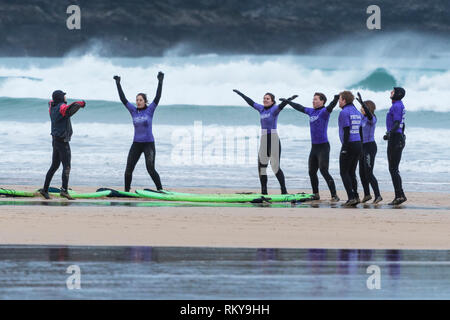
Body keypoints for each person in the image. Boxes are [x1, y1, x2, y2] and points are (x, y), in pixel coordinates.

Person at [233, 89, 297, 194]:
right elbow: (251, 102)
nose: (265, 100)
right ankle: (264, 192)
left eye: (267, 99)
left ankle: (284, 191)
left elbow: (282, 105)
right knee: (261, 167)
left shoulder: (275, 109)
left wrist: (289, 100)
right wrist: (241, 94)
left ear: (272, 101)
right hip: (264, 140)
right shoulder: (261, 109)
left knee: (275, 167)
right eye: (264, 98)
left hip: (273, 139)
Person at [280, 93, 340, 201]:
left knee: (323, 170)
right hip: (314, 147)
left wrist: (335, 99)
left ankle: (334, 195)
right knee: (312, 172)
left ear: (322, 101)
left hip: (323, 146)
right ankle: (316, 194)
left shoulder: (324, 112)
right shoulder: (311, 111)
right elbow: (300, 107)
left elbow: (331, 106)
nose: (313, 101)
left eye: (316, 99)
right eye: (313, 99)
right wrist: (288, 102)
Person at [114, 72, 164, 192]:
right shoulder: (133, 111)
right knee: (128, 169)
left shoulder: (150, 110)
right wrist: (118, 84)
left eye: (140, 100)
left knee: (150, 168)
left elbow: (158, 97)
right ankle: (126, 191)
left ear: (145, 101)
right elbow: (123, 99)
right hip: (136, 144)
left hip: (148, 144)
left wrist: (160, 82)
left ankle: (160, 189)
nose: (138, 101)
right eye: (137, 100)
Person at [38, 90, 86, 200]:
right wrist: (82, 103)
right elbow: (71, 107)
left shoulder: (52, 106)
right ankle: (64, 191)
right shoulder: (61, 107)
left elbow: (51, 101)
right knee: (67, 166)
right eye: (64, 95)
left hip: (55, 140)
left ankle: (45, 190)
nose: (66, 97)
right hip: (63, 142)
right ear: (61, 98)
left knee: (54, 166)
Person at [355, 92, 382, 204]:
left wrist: (363, 103)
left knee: (369, 172)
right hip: (362, 147)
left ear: (367, 108)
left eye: (362, 107)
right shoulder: (362, 118)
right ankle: (367, 195)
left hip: (370, 147)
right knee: (362, 172)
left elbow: (370, 115)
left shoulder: (372, 119)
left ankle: (378, 195)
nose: (361, 109)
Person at [337, 91, 363, 207]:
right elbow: (360, 130)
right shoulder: (357, 112)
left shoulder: (344, 112)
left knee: (344, 172)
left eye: (340, 99)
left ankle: (351, 197)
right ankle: (356, 196)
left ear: (344, 100)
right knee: (352, 172)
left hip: (349, 144)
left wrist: (344, 148)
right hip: (358, 143)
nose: (339, 101)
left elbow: (347, 130)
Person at [384, 87, 407, 205]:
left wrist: (389, 133)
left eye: (393, 91)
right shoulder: (398, 104)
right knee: (393, 169)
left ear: (397, 94)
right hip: (397, 138)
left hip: (395, 139)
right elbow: (402, 124)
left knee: (393, 169)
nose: (391, 92)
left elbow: (397, 123)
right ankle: (400, 195)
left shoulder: (397, 106)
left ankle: (399, 196)